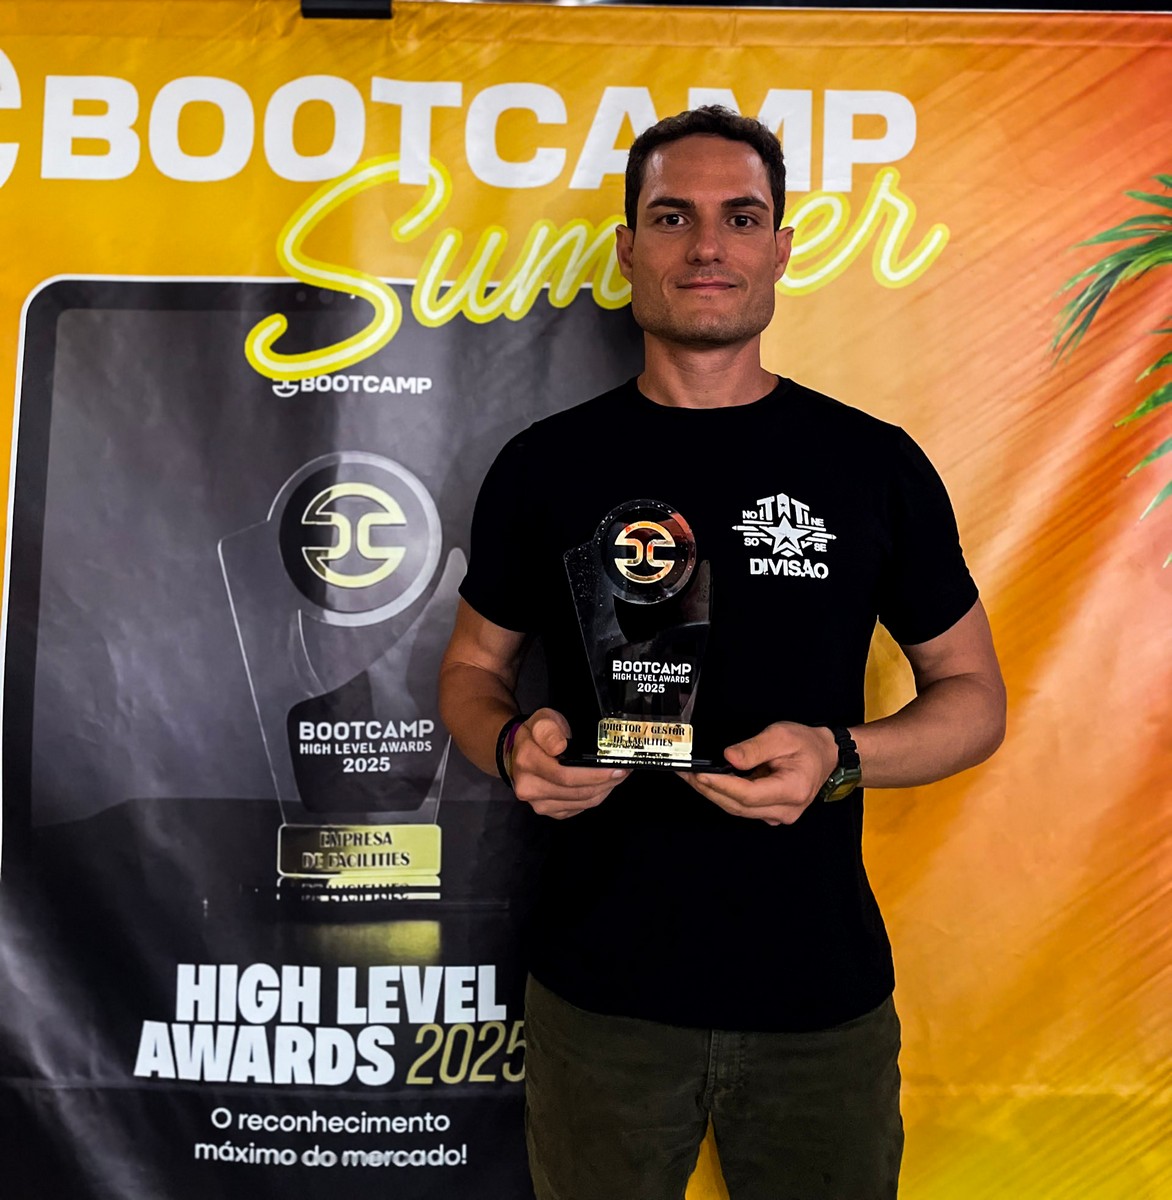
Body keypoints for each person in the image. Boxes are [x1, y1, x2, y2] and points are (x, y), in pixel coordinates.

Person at [438, 106, 1006, 1200]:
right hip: (599, 1001)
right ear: (627, 247)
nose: (707, 246)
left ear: (781, 249)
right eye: (672, 217)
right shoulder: (546, 465)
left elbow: (973, 696)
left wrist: (840, 755)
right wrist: (510, 745)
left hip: (817, 1001)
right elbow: (469, 670)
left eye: (740, 218)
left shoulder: (870, 464)